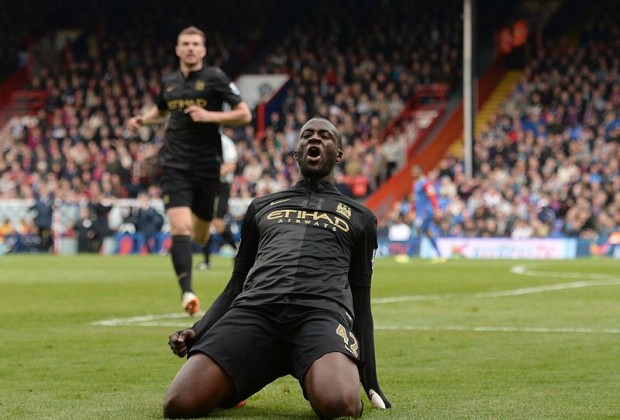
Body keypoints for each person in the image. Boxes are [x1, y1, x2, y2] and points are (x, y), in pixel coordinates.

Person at [164, 118, 391, 418]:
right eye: (307, 135)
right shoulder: (262, 207)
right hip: (255, 311)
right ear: (296, 152)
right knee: (179, 404)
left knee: (340, 406)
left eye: (325, 136)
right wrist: (198, 330)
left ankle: (313, 370)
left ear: (339, 153)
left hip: (320, 316)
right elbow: (236, 285)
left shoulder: (361, 217)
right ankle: (246, 377)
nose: (315, 140)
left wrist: (371, 380)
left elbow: (361, 302)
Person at [127, 26, 252, 316]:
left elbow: (244, 114)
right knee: (180, 227)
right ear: (178, 49)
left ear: (203, 50)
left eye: (196, 44)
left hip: (208, 166)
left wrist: (210, 116)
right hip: (174, 164)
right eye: (186, 44)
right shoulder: (169, 83)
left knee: (200, 233)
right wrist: (141, 122)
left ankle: (204, 245)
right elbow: (161, 112)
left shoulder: (216, 78)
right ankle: (187, 292)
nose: (191, 48)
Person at [197, 132, 238, 270]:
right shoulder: (202, 141)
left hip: (220, 186)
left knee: (218, 224)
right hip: (206, 185)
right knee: (204, 221)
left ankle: (236, 249)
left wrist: (211, 175)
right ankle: (207, 261)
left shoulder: (225, 142)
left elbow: (231, 165)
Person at [395, 164, 444, 262]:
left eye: (415, 170)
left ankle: (408, 255)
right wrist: (411, 210)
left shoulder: (425, 183)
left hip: (425, 212)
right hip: (420, 212)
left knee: (417, 231)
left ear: (421, 171)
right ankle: (439, 256)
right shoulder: (416, 183)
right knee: (427, 232)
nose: (413, 172)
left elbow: (432, 196)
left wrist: (436, 209)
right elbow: (416, 200)